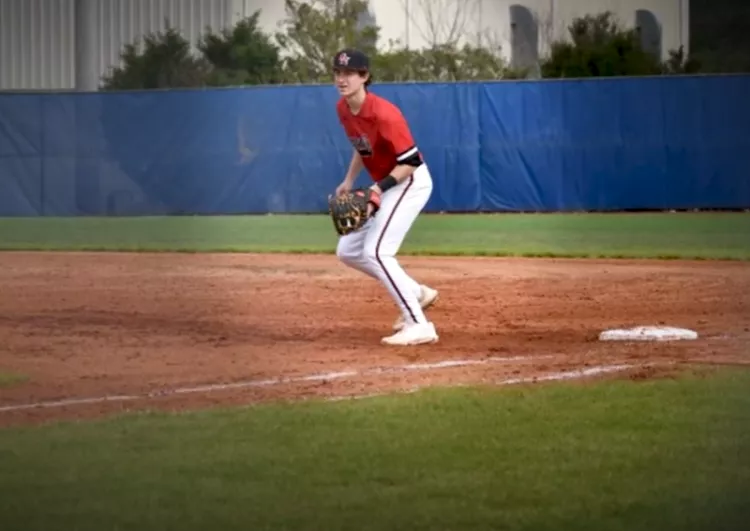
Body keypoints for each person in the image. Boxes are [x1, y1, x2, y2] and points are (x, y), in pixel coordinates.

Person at [331, 48, 440, 346]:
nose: (342, 79)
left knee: (377, 251)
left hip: (409, 182)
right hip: (387, 184)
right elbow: (362, 145)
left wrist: (378, 188)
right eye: (338, 73)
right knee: (348, 250)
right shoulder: (344, 108)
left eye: (349, 73)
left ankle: (419, 324)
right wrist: (349, 179)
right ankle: (416, 292)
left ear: (364, 77)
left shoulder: (385, 114)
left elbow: (411, 161)